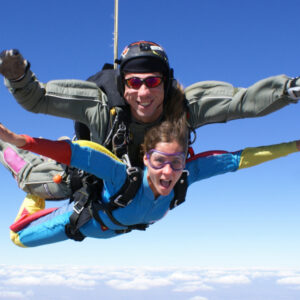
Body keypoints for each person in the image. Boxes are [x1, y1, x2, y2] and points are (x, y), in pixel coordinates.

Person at [0, 41, 300, 201]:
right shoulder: (99, 105)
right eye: (134, 82)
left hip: (145, 185)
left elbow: (243, 103)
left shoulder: (184, 106)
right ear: (123, 85)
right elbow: (37, 100)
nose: (143, 92)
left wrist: (289, 90)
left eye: (153, 81)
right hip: (89, 179)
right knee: (33, 181)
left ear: (166, 83)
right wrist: (19, 75)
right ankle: (8, 149)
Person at [0, 118, 299, 248]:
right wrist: (17, 140)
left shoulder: (186, 177)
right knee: (17, 239)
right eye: (159, 162)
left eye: (176, 163)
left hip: (107, 229)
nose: (168, 173)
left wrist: (294, 146)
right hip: (78, 223)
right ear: (145, 159)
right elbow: (77, 154)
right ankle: (14, 163)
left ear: (185, 161)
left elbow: (239, 160)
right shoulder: (122, 177)